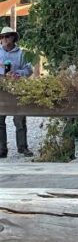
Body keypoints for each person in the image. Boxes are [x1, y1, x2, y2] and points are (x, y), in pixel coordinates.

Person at [0, 26, 33, 158]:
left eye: (7, 36)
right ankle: (2, 149)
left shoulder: (22, 54)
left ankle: (23, 147)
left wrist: (17, 73)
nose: (4, 39)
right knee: (0, 120)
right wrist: (4, 73)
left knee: (20, 119)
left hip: (18, 88)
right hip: (1, 89)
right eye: (2, 37)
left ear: (13, 37)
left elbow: (29, 70)